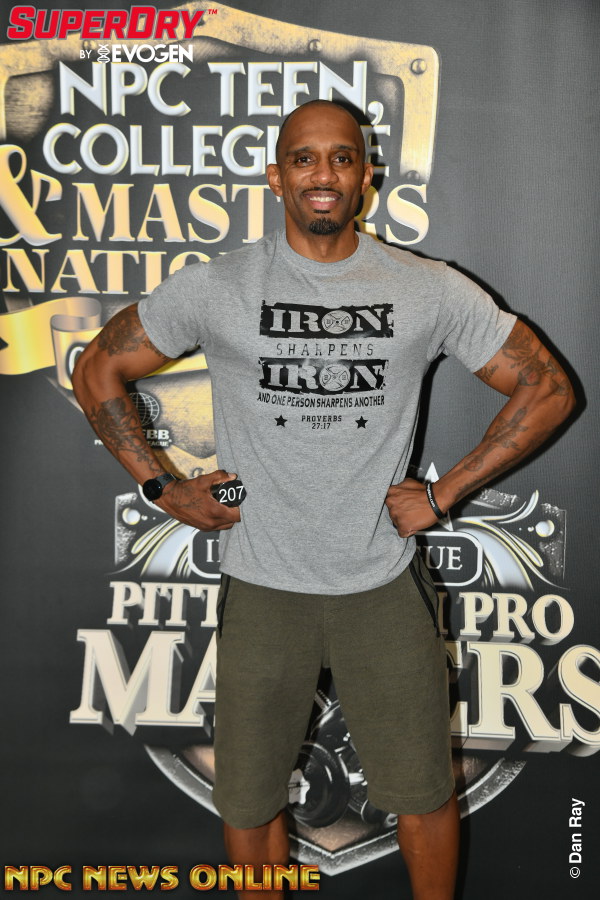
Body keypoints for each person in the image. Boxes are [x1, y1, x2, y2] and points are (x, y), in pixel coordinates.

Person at [72, 100, 575, 899]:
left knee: (423, 793)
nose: (323, 174)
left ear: (366, 176)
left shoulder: (425, 288)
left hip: (380, 581)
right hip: (263, 582)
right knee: (248, 801)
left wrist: (444, 493)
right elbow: (99, 367)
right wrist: (162, 486)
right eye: (304, 158)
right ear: (276, 177)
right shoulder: (220, 286)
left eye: (342, 158)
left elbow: (547, 387)